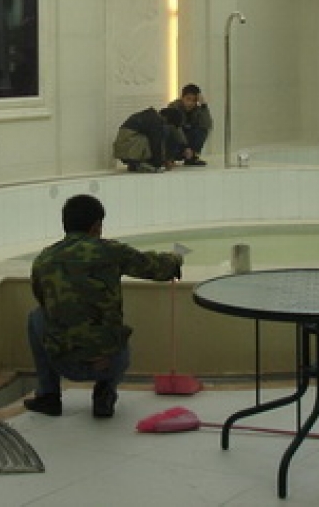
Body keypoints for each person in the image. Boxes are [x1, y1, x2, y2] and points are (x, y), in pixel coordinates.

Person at [24, 193, 183, 418]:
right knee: (116, 331)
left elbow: (42, 299)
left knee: (36, 317)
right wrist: (176, 258)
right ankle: (104, 394)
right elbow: (157, 268)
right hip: (108, 363)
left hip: (64, 363)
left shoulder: (43, 259)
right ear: (96, 226)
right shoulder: (110, 252)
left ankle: (48, 396)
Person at [112, 106, 183, 172]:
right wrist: (158, 163)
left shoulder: (150, 116)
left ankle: (135, 164)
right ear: (167, 119)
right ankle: (140, 164)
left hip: (125, 148)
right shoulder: (156, 122)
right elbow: (156, 145)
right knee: (149, 140)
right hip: (129, 147)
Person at [167, 83, 212, 165]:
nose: (190, 103)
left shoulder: (198, 110)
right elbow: (176, 129)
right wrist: (185, 147)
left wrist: (204, 105)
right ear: (182, 98)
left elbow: (207, 124)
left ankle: (192, 158)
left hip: (187, 144)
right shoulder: (173, 107)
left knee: (202, 129)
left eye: (194, 100)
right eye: (188, 99)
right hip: (177, 143)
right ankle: (170, 158)